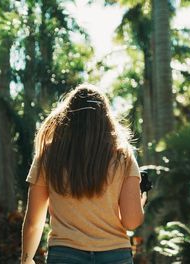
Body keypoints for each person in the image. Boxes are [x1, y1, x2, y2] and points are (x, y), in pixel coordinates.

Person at [21, 84, 146, 264]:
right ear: (106, 119)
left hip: (65, 254)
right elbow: (131, 221)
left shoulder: (49, 155)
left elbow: (34, 221)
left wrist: (26, 259)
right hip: (114, 255)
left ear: (67, 117)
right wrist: (142, 199)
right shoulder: (122, 156)